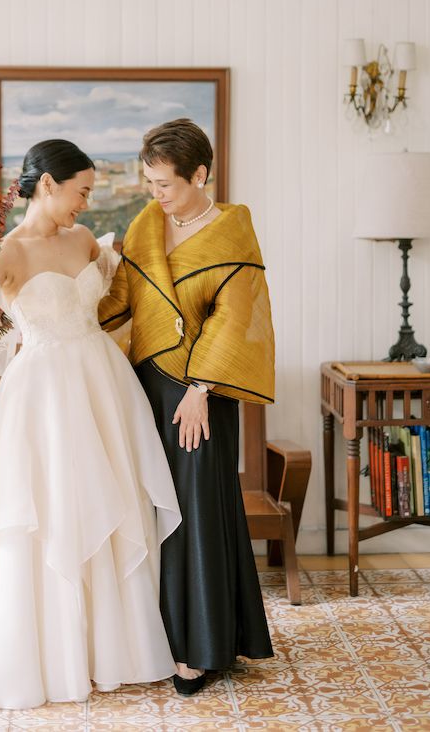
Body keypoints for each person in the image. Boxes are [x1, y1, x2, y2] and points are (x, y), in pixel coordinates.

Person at [0, 139, 181, 710]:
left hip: (104, 386)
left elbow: (122, 301)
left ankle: (109, 650)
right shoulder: (3, 254)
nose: (85, 204)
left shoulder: (86, 241)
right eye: (82, 191)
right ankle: (47, 655)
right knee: (48, 512)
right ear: (48, 184)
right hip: (42, 396)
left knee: (109, 505)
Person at [99, 118, 275, 696]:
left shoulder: (233, 230)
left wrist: (201, 388)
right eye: (150, 182)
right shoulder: (148, 221)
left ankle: (198, 650)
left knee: (198, 511)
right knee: (153, 510)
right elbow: (123, 297)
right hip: (145, 385)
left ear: (201, 174)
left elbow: (234, 317)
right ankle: (175, 637)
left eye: (165, 183)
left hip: (201, 393)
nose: (155, 193)